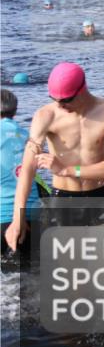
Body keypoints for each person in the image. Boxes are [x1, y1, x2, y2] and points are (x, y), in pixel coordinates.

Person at [3, 63, 104, 252]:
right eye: (55, 99)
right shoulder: (46, 116)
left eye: (66, 100)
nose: (60, 105)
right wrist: (17, 219)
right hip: (63, 201)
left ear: (82, 89)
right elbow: (26, 169)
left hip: (101, 197)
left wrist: (67, 170)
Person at [1, 89, 43, 259]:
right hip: (32, 218)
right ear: (15, 111)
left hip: (2, 216)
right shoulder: (28, 136)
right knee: (27, 277)